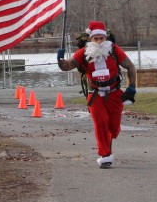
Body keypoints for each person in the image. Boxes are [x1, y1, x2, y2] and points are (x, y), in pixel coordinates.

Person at [57, 20, 137, 168]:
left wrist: (132, 87)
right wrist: (60, 59)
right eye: (96, 39)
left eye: (102, 38)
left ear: (105, 37)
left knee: (113, 128)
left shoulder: (114, 50)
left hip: (114, 93)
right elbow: (66, 66)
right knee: (101, 124)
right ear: (91, 39)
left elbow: (130, 66)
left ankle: (108, 142)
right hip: (95, 95)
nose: (99, 42)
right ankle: (105, 156)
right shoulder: (84, 53)